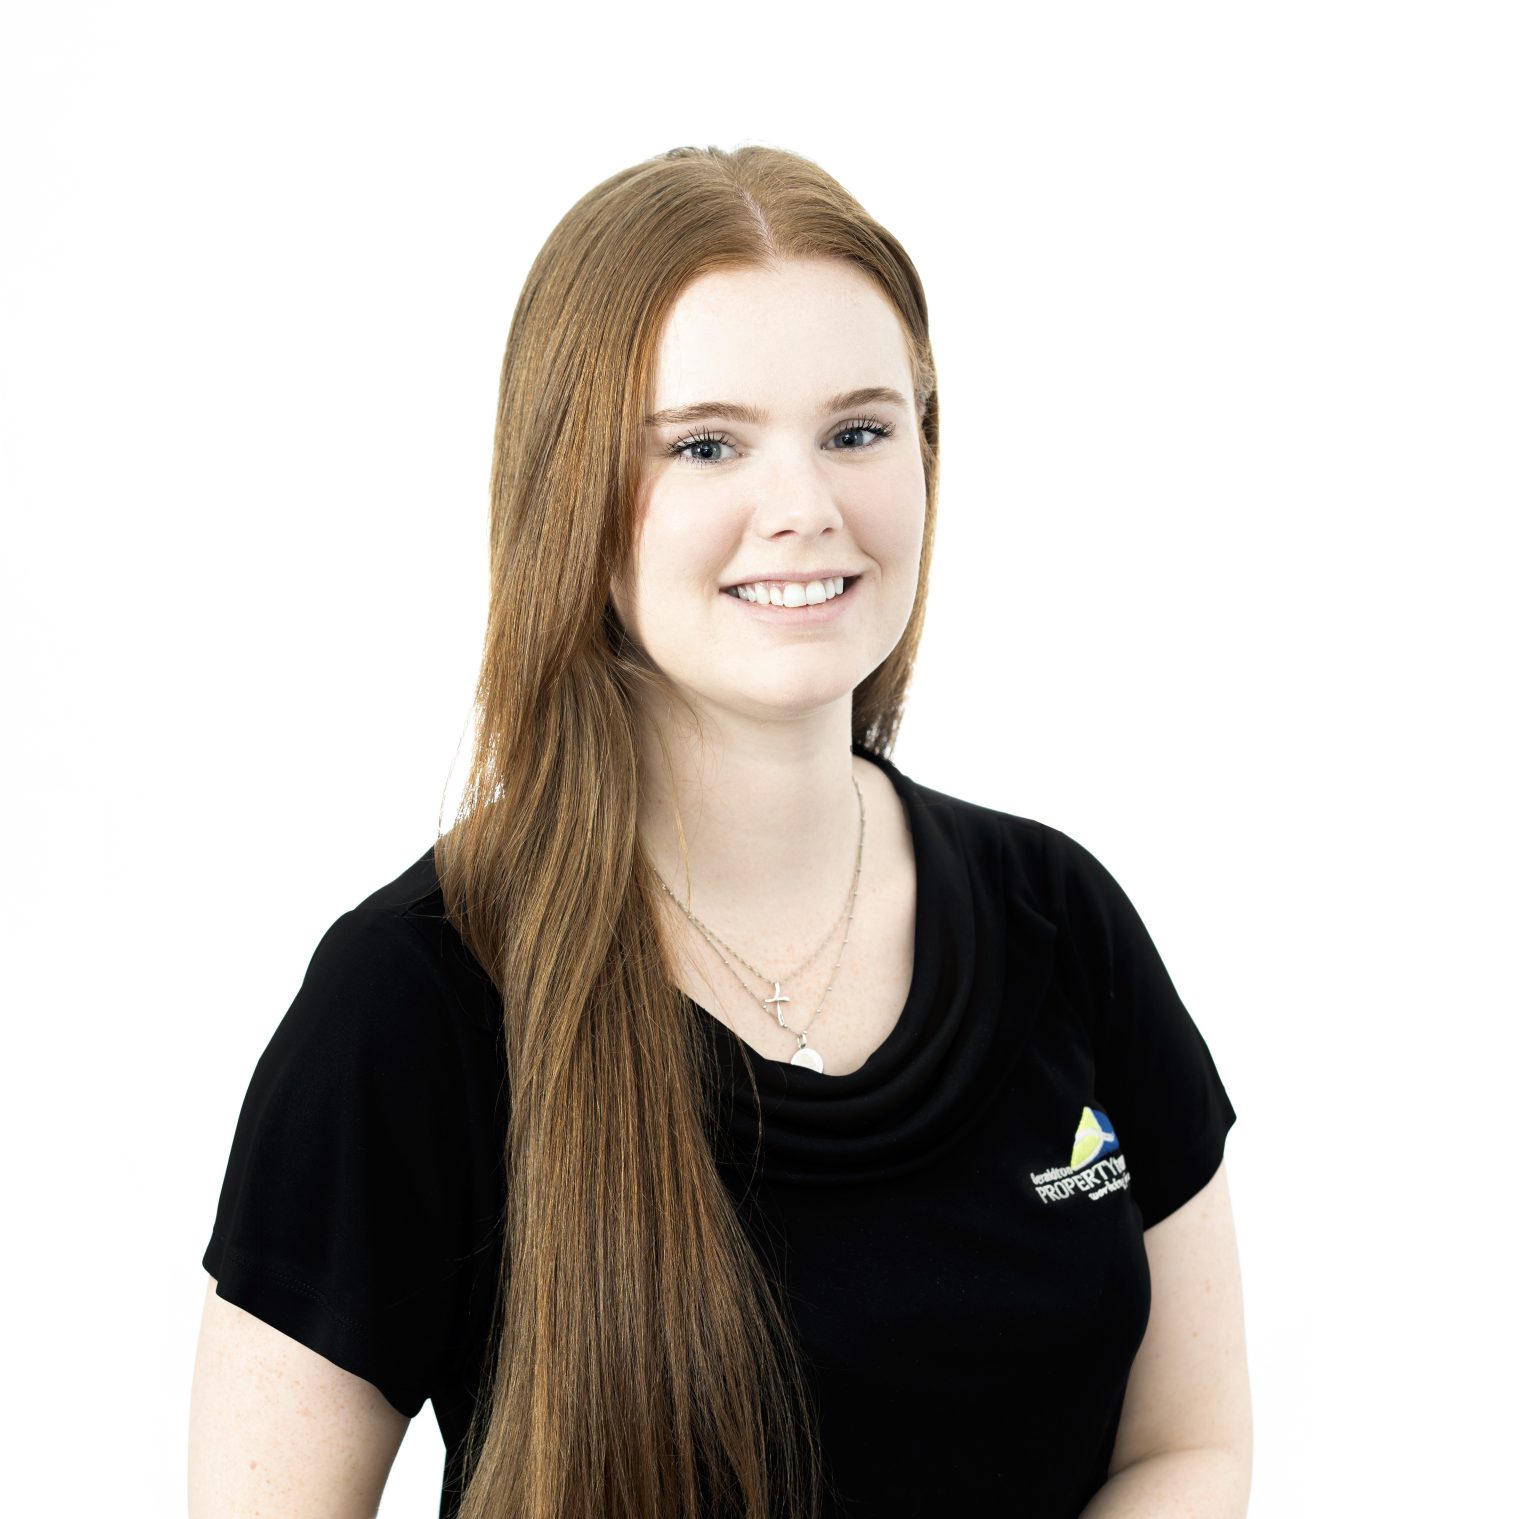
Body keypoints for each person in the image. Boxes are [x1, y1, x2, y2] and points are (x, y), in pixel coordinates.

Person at [188, 144, 1250, 1519]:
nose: (806, 505)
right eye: (706, 444)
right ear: (569, 492)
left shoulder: (1063, 919)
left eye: (861, 430)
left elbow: (1187, 1447)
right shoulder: (416, 998)